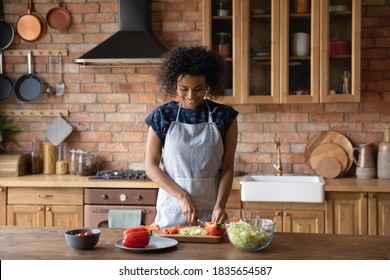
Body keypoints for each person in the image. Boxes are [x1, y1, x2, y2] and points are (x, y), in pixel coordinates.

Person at [145, 46, 238, 228]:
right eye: (183, 89)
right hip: (172, 209)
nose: (191, 95)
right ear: (174, 84)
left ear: (208, 85)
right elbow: (150, 167)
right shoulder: (162, 116)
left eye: (198, 88)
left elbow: (227, 167)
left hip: (211, 212)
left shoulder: (224, 117)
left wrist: (220, 205)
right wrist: (183, 196)